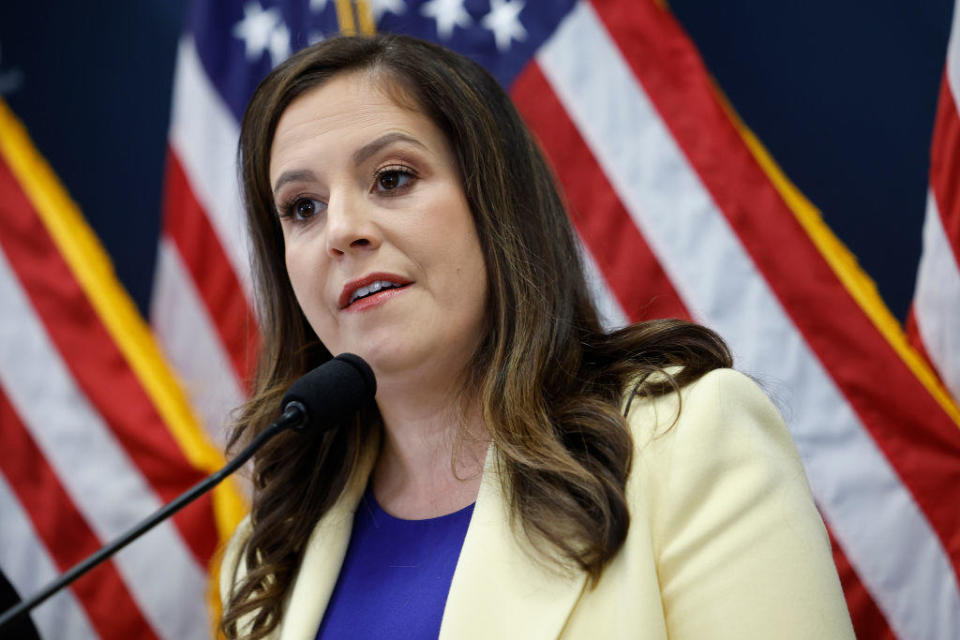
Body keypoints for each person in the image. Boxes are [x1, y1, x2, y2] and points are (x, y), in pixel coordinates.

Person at [218, 34, 854, 640]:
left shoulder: (685, 442)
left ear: (496, 207)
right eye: (303, 207)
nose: (342, 230)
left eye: (392, 178)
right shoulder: (267, 555)